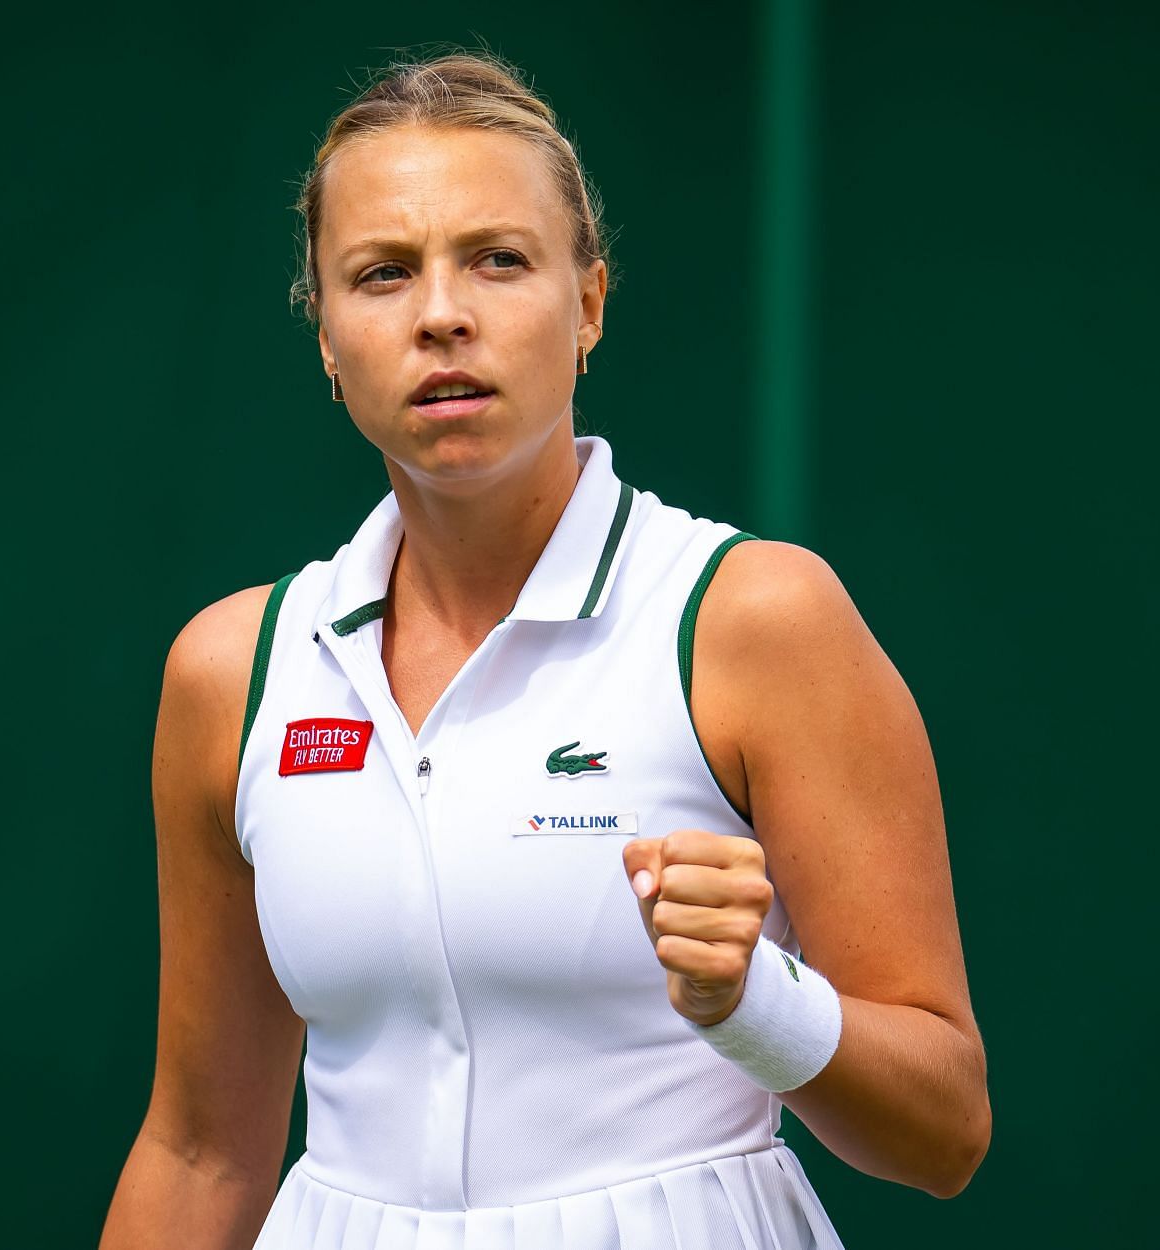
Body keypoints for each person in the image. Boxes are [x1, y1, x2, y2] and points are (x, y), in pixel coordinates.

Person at [99, 49, 989, 1250]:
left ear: (590, 305)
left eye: (499, 259)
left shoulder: (757, 618)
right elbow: (201, 1146)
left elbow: (947, 1131)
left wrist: (757, 1005)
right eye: (381, 273)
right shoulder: (231, 671)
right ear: (325, 335)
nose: (442, 312)